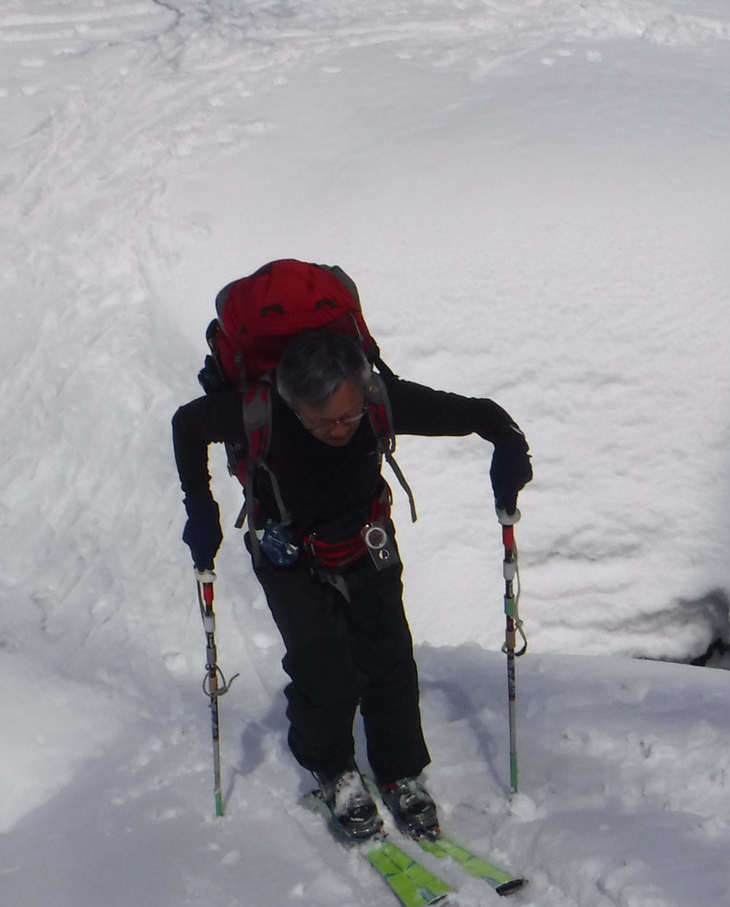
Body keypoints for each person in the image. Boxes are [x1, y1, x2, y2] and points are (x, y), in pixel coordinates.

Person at [171, 326, 531, 839]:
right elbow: (186, 425)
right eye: (322, 422)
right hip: (287, 553)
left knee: (390, 660)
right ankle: (333, 769)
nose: (340, 429)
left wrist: (509, 443)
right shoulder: (259, 412)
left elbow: (479, 415)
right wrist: (200, 507)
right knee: (325, 670)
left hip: (367, 541)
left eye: (349, 415)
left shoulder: (378, 398)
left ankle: (399, 770)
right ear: (292, 403)